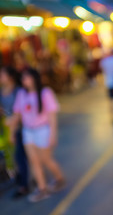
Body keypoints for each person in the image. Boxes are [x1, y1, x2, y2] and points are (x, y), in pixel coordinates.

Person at [12, 68, 65, 202]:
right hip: (28, 131)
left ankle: (59, 178)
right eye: (23, 78)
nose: (24, 80)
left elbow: (52, 116)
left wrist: (53, 135)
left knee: (45, 159)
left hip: (43, 130)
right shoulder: (21, 94)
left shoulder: (45, 93)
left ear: (34, 78)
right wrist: (12, 127)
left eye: (27, 77)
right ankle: (42, 189)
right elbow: (17, 114)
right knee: (33, 161)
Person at [0, 67, 29, 199]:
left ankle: (24, 185)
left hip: (21, 128)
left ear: (10, 77)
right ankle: (20, 177)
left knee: (21, 156)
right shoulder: (1, 92)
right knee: (14, 155)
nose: (0, 76)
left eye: (2, 74)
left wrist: (12, 123)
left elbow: (22, 111)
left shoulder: (18, 91)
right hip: (8, 128)